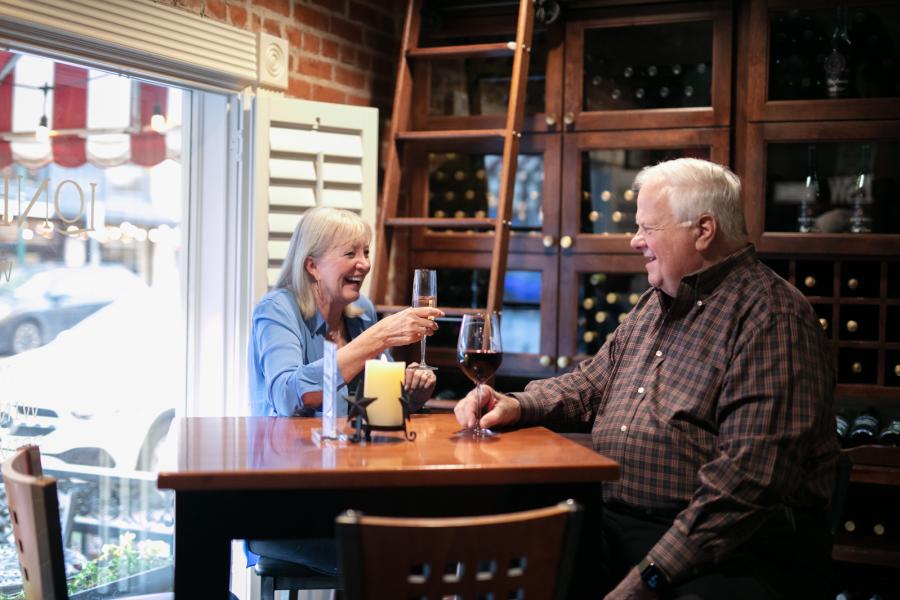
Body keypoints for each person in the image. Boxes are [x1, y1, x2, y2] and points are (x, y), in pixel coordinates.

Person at [455, 158, 839, 599]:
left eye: (647, 228)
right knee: (503, 559)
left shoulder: (772, 317)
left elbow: (746, 484)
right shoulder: (657, 302)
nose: (635, 240)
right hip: (620, 527)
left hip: (731, 551)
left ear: (704, 230)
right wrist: (516, 404)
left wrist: (647, 580)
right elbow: (590, 386)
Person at [248, 206, 443, 577]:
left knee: (438, 535)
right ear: (312, 266)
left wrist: (411, 394)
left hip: (350, 492)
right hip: (286, 507)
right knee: (404, 558)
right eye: (350, 253)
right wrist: (377, 338)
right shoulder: (276, 310)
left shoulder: (360, 311)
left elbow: (374, 408)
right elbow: (288, 395)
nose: (364, 264)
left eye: (365, 251)